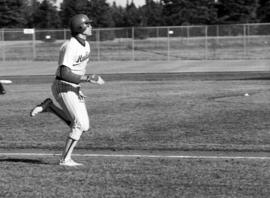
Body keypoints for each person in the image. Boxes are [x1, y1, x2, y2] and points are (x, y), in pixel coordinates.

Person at [30, 14, 105, 166]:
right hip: (63, 86)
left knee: (82, 125)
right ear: (81, 27)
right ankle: (65, 159)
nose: (91, 27)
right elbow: (64, 73)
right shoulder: (70, 45)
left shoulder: (86, 45)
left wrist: (79, 86)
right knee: (81, 125)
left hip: (72, 86)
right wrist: (89, 78)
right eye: (88, 24)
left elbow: (77, 71)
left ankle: (49, 106)